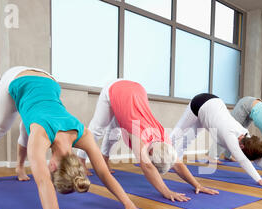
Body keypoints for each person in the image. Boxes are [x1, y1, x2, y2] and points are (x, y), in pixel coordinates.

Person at [0, 66, 157, 209]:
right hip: (16, 78)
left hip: (50, 81)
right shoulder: (41, 134)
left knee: (28, 125)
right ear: (53, 167)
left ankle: (19, 167)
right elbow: (43, 182)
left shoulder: (82, 132)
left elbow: (103, 173)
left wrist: (130, 205)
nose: (47, 170)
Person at [77, 79, 219, 201]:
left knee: (116, 131)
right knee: (98, 128)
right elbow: (147, 166)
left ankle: (105, 160)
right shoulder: (140, 136)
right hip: (116, 88)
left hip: (137, 90)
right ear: (149, 153)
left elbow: (177, 164)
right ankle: (80, 161)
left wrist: (197, 185)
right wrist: (166, 192)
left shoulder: (165, 140)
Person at [171, 94, 262, 188]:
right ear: (242, 146)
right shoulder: (230, 136)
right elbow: (243, 160)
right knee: (177, 134)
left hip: (213, 107)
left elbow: (258, 157)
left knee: (189, 137)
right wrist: (259, 180)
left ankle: (175, 161)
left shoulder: (248, 137)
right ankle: (158, 154)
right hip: (201, 102)